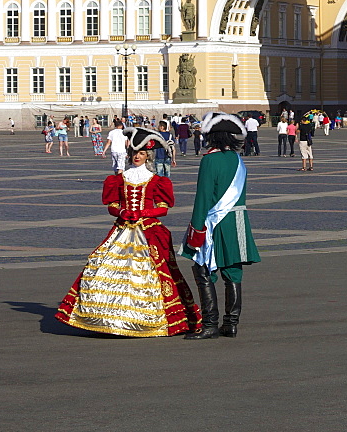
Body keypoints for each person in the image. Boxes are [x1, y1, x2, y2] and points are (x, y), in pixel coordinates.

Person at [56, 127, 199, 337]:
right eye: (134, 153)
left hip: (148, 231)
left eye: (141, 154)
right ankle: (111, 319)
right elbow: (112, 204)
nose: (137, 157)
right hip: (122, 229)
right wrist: (122, 211)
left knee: (153, 273)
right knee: (105, 268)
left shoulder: (156, 180)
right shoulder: (120, 178)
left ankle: (154, 319)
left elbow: (164, 208)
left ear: (148, 155)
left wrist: (144, 212)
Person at [181, 113, 261, 339]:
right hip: (238, 221)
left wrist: (196, 229)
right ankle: (231, 323)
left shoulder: (209, 160)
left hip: (216, 223)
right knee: (233, 271)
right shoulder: (237, 160)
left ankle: (210, 324)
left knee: (203, 269)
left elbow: (203, 198)